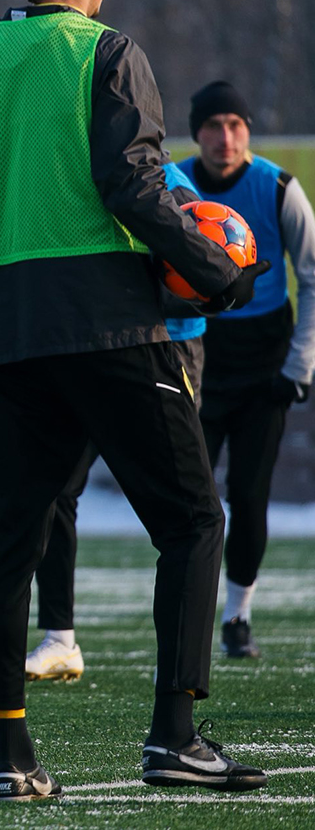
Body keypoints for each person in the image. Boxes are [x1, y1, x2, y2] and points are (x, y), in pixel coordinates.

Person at [0, 0, 269, 799]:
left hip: (7, 331)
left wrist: (10, 251)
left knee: (9, 542)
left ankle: (12, 755)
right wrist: (214, 269)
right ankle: (173, 737)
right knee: (190, 519)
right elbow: (130, 184)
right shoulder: (106, 52)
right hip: (107, 327)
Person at [25, 159, 207, 682]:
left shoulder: (168, 183)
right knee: (57, 490)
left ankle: (187, 659)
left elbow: (198, 267)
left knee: (185, 509)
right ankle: (60, 638)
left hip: (167, 346)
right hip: (98, 351)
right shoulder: (71, 177)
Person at [181, 81, 315, 659]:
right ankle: (188, 612)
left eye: (236, 124)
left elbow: (312, 276)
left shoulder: (278, 187)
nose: (225, 137)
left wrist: (299, 364)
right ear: (197, 133)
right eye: (213, 125)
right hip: (198, 360)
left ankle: (238, 615)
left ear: (249, 132)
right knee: (191, 500)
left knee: (249, 495)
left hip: (265, 366)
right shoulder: (174, 186)